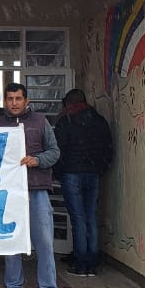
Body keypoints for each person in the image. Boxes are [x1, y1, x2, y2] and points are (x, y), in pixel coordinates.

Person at [0, 83, 61, 288]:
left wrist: (37, 160)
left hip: (37, 189)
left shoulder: (41, 122)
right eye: (10, 99)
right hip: (9, 193)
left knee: (44, 243)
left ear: (26, 100)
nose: (14, 103)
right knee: (11, 243)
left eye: (18, 98)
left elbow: (55, 152)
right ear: (5, 101)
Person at [54, 88, 115, 277]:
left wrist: (58, 172)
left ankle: (81, 263)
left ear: (68, 103)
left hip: (72, 173)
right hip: (93, 174)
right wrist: (101, 168)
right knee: (90, 217)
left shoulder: (66, 121)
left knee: (78, 218)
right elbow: (108, 147)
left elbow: (58, 150)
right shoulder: (99, 120)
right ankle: (92, 263)